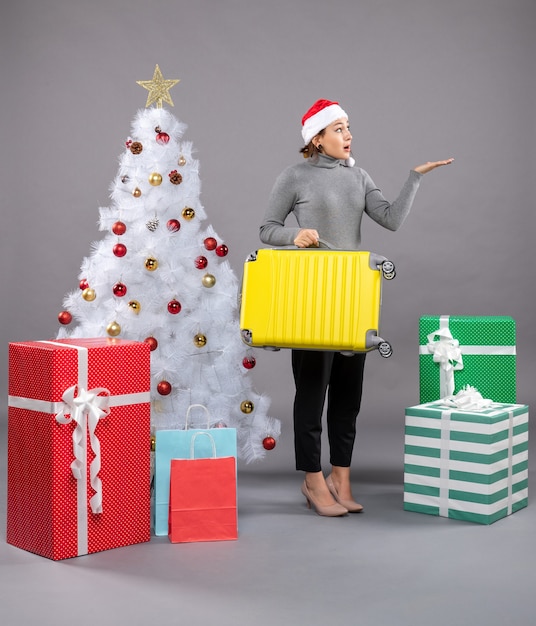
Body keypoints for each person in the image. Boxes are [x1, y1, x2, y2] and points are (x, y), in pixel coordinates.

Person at [259, 99, 453, 517]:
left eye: (348, 128)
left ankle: (340, 478)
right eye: (340, 128)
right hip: (311, 298)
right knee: (312, 393)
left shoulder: (359, 176)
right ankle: (312, 481)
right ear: (317, 137)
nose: (348, 136)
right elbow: (266, 229)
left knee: (349, 393)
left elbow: (391, 219)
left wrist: (414, 179)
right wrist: (294, 236)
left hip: (353, 297)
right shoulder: (294, 177)